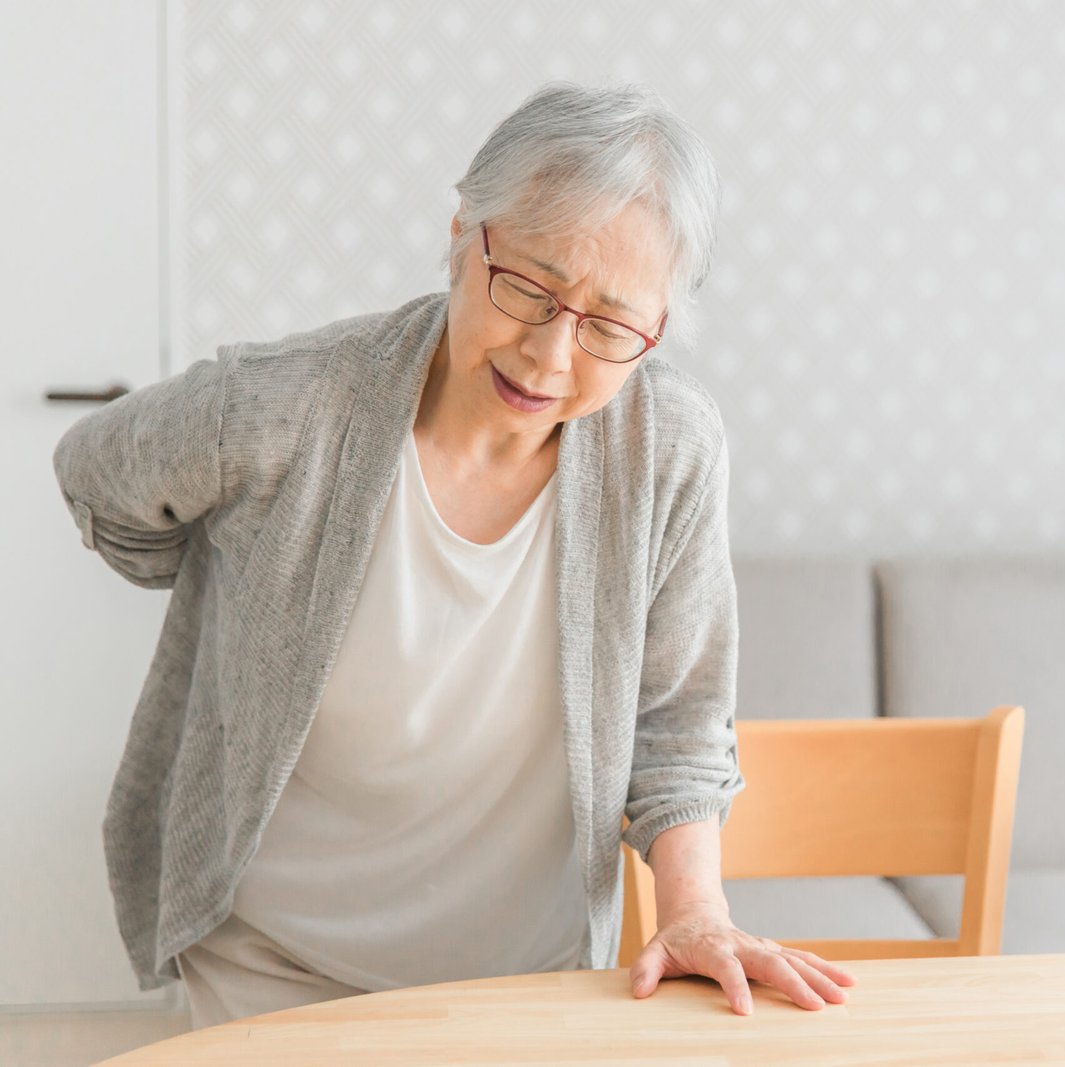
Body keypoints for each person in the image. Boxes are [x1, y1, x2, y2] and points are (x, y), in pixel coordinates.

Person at [53, 80, 853, 1029]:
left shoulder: (670, 450)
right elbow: (94, 470)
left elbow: (677, 724)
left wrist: (695, 912)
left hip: (530, 977)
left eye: (607, 323)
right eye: (528, 286)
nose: (551, 355)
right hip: (271, 963)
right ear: (463, 232)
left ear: (658, 332)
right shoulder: (286, 406)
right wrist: (226, 580)